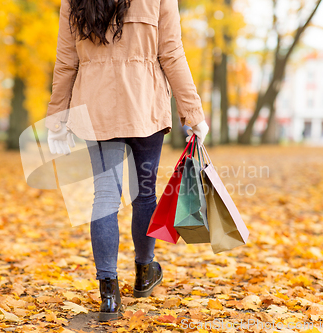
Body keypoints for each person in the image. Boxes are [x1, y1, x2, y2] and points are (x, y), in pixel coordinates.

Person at [45, 0, 209, 322]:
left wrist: (56, 118)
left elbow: (66, 62)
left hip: (95, 106)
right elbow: (172, 53)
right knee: (144, 194)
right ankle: (145, 271)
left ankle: (109, 294)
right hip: (144, 104)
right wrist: (193, 112)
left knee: (105, 197)